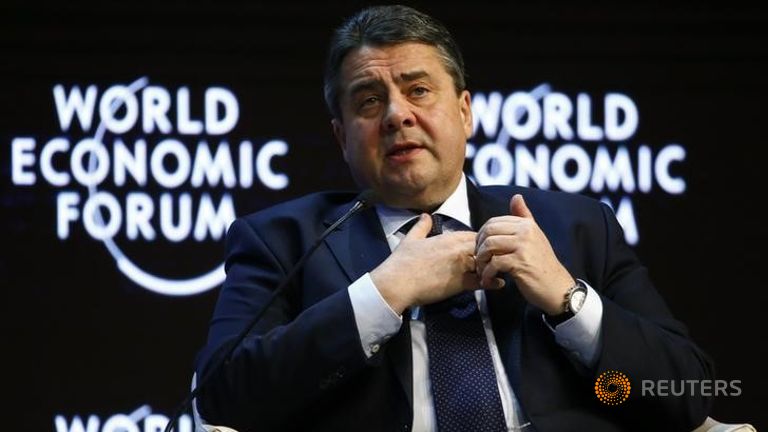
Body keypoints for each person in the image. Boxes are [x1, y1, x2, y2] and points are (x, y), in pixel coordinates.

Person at [195, 5, 714, 431]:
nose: (397, 114)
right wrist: (383, 293)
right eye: (369, 101)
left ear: (465, 111)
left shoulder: (576, 227)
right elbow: (224, 397)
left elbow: (687, 394)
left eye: (418, 90)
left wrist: (568, 301)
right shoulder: (284, 241)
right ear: (341, 137)